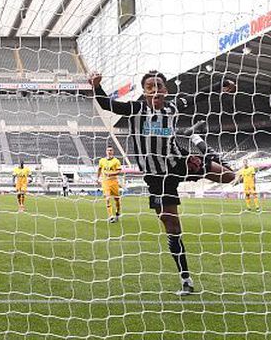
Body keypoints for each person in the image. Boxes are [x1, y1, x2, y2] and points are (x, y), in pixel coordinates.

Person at [91, 71, 236, 296]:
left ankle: (198, 144)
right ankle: (186, 280)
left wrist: (221, 84)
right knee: (173, 229)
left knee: (229, 176)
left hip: (179, 162)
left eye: (158, 85)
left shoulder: (173, 107)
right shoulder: (136, 109)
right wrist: (96, 86)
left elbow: (199, 95)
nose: (155, 89)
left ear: (165, 90)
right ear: (145, 92)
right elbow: (107, 104)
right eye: (150, 86)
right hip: (157, 178)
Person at [97, 146, 122, 222]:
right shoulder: (102, 161)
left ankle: (117, 213)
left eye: (111, 150)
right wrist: (97, 178)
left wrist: (110, 174)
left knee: (117, 200)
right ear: (106, 151)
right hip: (105, 182)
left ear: (113, 151)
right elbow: (99, 169)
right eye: (108, 150)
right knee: (107, 199)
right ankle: (110, 216)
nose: (109, 151)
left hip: (114, 182)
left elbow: (119, 171)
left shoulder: (116, 161)